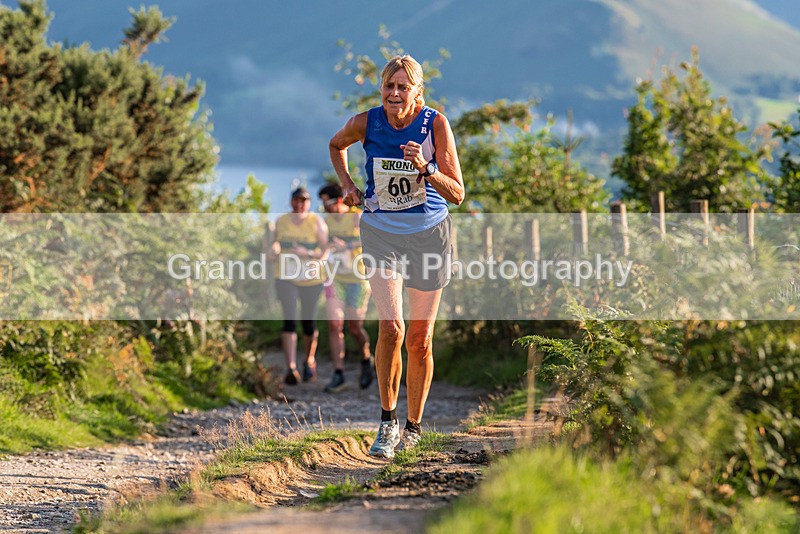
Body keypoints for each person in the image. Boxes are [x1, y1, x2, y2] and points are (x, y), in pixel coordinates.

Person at [328, 54, 464, 458]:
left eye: (403, 86)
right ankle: (387, 424)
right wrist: (349, 186)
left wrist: (425, 169)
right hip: (380, 232)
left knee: (420, 340)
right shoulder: (366, 122)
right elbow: (336, 146)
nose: (394, 93)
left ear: (418, 91)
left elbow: (457, 193)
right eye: (389, 86)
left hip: (428, 233)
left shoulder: (435, 124)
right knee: (392, 328)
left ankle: (414, 427)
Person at [267, 186, 328, 385]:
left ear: (309, 203)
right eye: (297, 200)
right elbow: (275, 242)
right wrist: (273, 251)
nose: (300, 204)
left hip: (311, 277)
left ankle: (308, 360)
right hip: (286, 275)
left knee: (308, 322)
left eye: (304, 201)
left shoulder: (316, 222)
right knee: (290, 319)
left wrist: (308, 254)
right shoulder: (281, 221)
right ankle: (291, 368)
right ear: (291, 201)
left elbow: (325, 250)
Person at [318, 183, 375, 393]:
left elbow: (370, 241)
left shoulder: (357, 217)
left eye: (329, 204)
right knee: (334, 324)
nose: (326, 209)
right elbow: (322, 247)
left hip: (358, 279)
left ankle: (366, 358)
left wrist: (348, 246)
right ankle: (339, 373)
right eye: (323, 205)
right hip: (335, 278)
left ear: (339, 200)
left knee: (354, 327)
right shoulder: (325, 222)